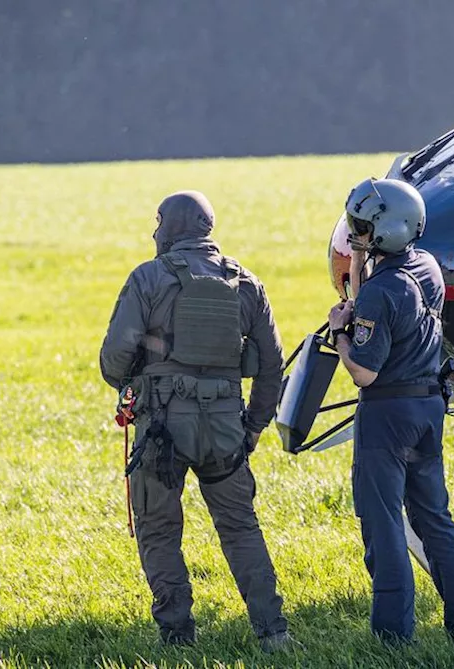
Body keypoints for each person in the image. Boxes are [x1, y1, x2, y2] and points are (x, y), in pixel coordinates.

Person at [99, 190, 294, 652]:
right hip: (227, 427)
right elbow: (273, 366)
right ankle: (274, 633)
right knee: (240, 526)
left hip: (162, 428)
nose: (154, 231)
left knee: (159, 528)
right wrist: (253, 427)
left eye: (158, 222)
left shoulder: (147, 278)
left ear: (171, 228)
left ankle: (178, 635)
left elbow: (113, 361)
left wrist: (141, 371)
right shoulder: (246, 282)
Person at [325, 177, 454, 656]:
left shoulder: (383, 291)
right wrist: (358, 259)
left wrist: (339, 333)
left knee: (385, 527)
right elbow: (370, 298)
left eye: (361, 226)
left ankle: (393, 639)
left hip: (387, 414)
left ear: (385, 229)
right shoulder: (427, 268)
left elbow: (363, 373)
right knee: (436, 521)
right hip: (427, 409)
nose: (353, 232)